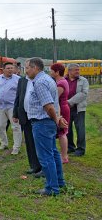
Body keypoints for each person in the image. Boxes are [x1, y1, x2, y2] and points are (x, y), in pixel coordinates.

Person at [25, 58, 67, 196]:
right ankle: (59, 182)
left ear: (35, 68)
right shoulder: (48, 79)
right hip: (47, 122)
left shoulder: (40, 82)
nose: (26, 71)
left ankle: (52, 188)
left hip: (42, 122)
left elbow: (48, 105)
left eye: (27, 68)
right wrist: (57, 119)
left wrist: (56, 119)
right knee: (53, 153)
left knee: (45, 157)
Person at [0, 62, 22, 154]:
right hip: (0, 106)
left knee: (15, 127)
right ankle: (4, 143)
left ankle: (16, 147)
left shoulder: (18, 79)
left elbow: (21, 94)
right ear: (3, 69)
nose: (10, 70)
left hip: (12, 107)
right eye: (8, 68)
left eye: (12, 68)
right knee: (0, 127)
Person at [13, 75, 42, 175]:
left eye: (29, 67)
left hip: (37, 116)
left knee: (39, 142)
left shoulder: (39, 80)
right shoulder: (22, 80)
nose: (27, 69)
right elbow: (18, 97)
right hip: (25, 115)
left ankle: (43, 166)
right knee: (29, 142)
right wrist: (15, 114)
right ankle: (34, 166)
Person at [66, 63, 89, 157]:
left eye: (78, 70)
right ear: (70, 71)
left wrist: (70, 102)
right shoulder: (64, 80)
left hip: (78, 109)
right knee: (67, 129)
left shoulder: (83, 80)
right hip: (66, 109)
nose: (78, 72)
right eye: (76, 70)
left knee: (80, 129)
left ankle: (80, 149)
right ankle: (70, 147)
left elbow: (84, 93)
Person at [50, 63, 71, 163]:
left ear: (57, 72)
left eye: (52, 71)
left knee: (62, 132)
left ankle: (64, 156)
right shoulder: (61, 81)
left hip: (61, 108)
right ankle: (63, 155)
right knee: (62, 132)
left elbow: (54, 98)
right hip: (63, 107)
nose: (50, 72)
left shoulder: (60, 83)